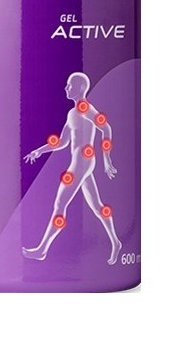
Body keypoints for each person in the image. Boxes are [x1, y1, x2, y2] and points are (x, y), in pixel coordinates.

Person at [22, 72, 122, 265]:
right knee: (98, 207)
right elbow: (62, 142)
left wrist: (107, 159)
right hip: (83, 163)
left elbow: (106, 128)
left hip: (82, 163)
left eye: (70, 85)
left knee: (60, 205)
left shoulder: (87, 109)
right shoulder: (73, 113)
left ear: (81, 88)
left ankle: (42, 250)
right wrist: (39, 151)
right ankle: (116, 242)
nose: (66, 88)